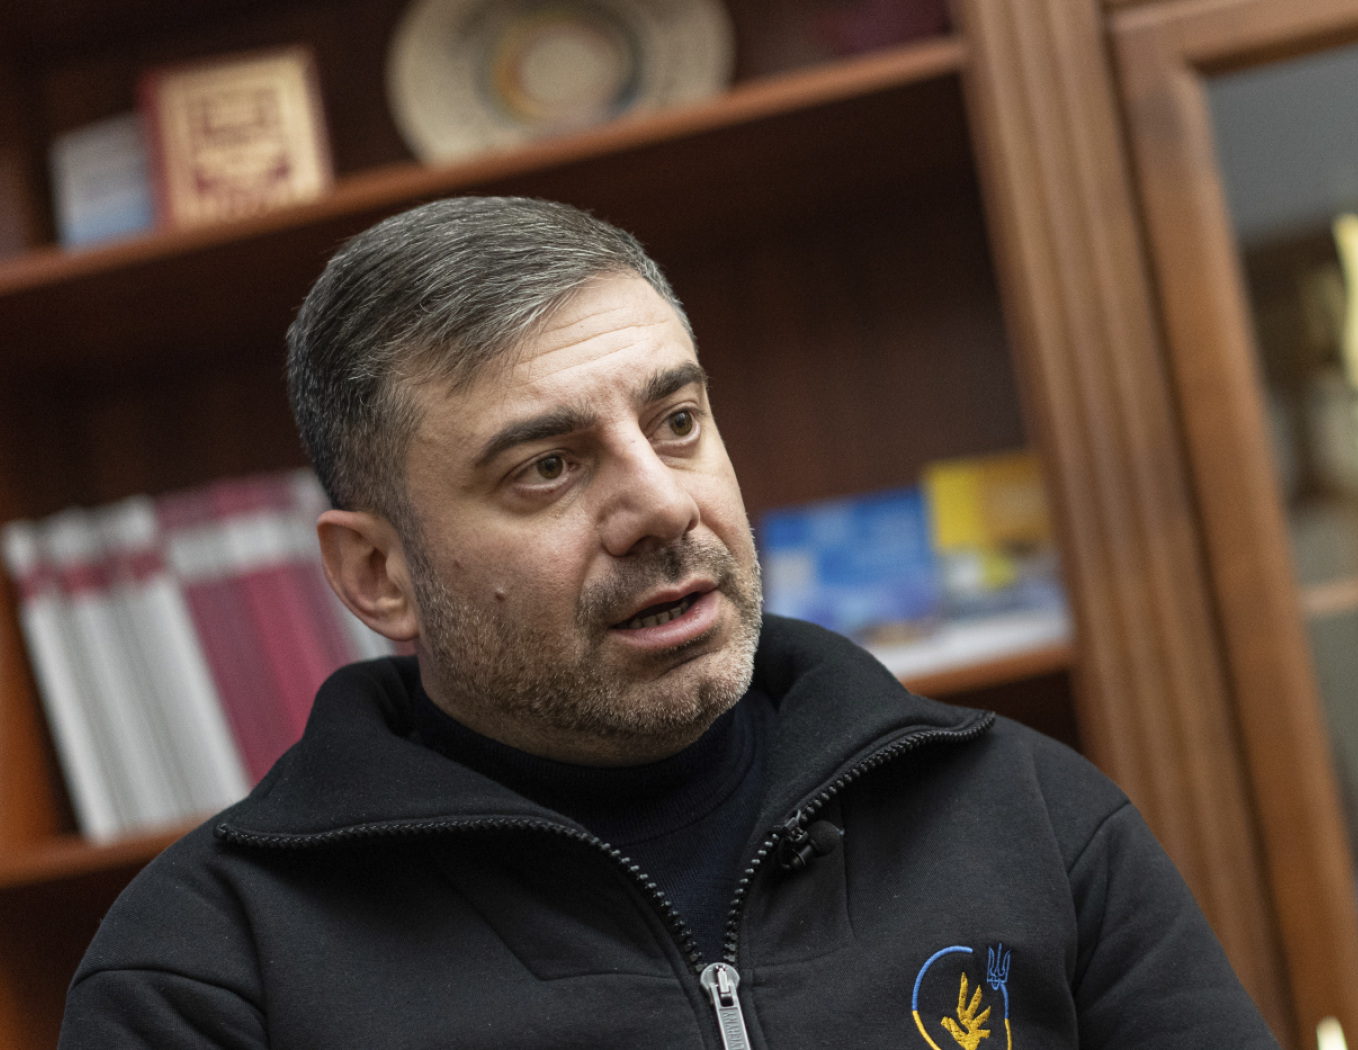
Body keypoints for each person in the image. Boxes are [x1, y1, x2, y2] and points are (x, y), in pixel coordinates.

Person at [59, 197, 1280, 1049]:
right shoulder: (209, 968)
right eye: (545, 468)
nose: (660, 505)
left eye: (676, 422)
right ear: (378, 575)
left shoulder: (1027, 816)